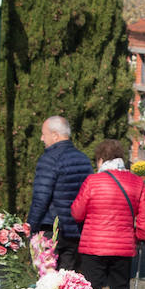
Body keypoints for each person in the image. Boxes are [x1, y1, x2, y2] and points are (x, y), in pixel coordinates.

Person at [71, 138, 145, 289]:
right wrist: (140, 237)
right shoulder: (136, 182)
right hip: (123, 248)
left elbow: (77, 212)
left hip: (94, 246)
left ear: (101, 160)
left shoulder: (93, 181)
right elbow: (144, 216)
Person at [27, 116, 92, 271]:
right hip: (76, 230)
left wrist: (30, 227)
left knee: (49, 279)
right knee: (68, 280)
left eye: (44, 134)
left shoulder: (49, 159)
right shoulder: (83, 159)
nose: (42, 138)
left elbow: (41, 198)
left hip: (52, 228)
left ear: (55, 135)